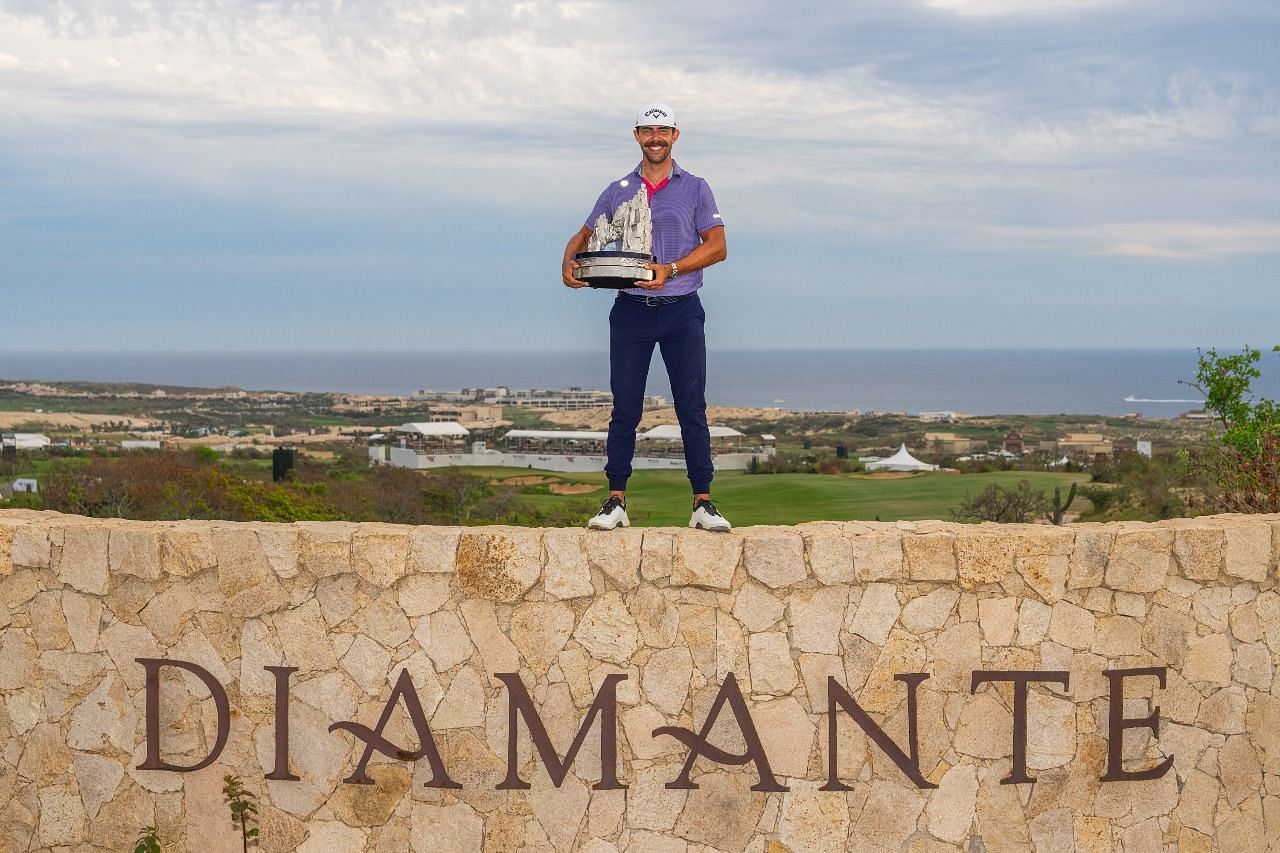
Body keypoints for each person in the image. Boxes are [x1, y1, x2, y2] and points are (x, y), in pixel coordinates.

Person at [560, 103, 731, 532]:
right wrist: (567, 261)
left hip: (682, 310)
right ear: (637, 135)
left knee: (691, 408)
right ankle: (615, 500)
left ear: (676, 136)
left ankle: (703, 503)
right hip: (631, 312)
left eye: (664, 131)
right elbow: (584, 234)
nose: (656, 138)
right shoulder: (617, 189)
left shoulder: (695, 187)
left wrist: (670, 269)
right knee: (625, 409)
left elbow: (718, 246)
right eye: (648, 131)